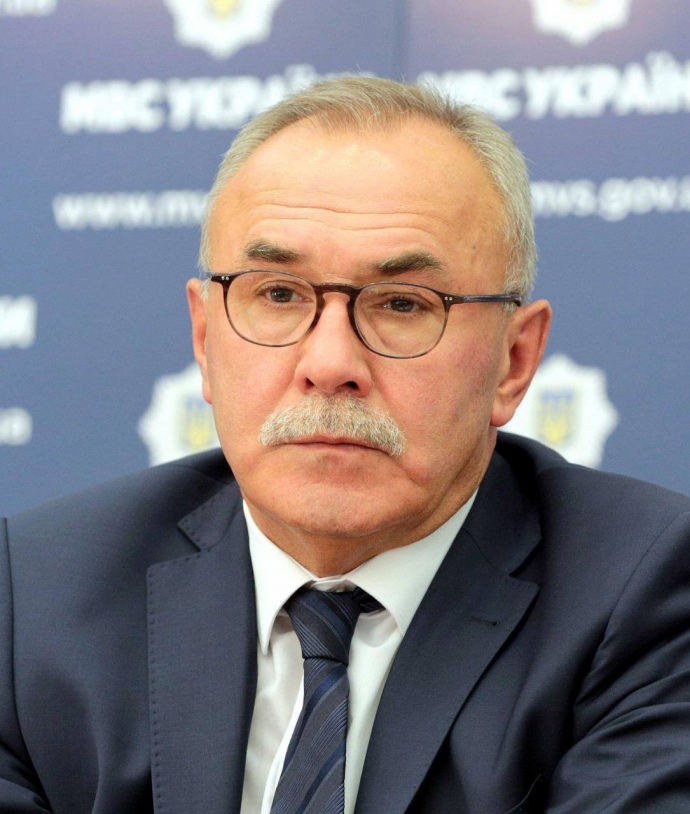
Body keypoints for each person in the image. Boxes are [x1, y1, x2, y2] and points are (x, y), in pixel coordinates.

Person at [2, 76, 690, 814]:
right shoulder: (35, 595)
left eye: (403, 304)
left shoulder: (645, 595)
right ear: (204, 338)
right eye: (278, 294)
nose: (329, 364)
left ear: (513, 362)